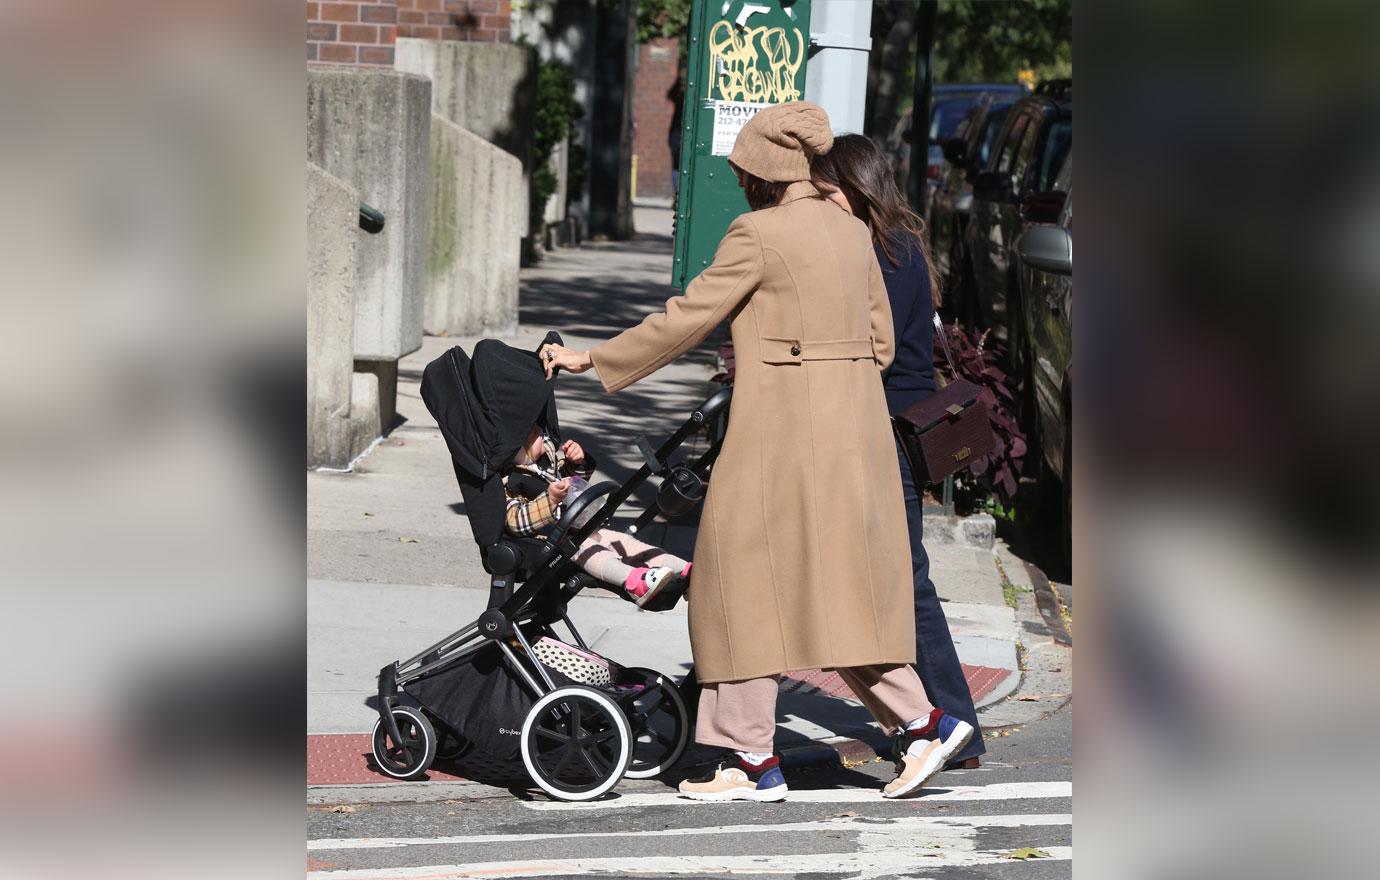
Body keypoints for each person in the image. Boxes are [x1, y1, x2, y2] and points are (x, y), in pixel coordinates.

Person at [539, 102, 973, 802]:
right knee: (825, 589)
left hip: (780, 438)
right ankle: (913, 726)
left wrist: (594, 359)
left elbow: (686, 319)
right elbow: (883, 343)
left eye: (741, 167)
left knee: (733, 579)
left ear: (757, 171)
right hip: (853, 437)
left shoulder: (758, 234)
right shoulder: (850, 232)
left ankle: (757, 759)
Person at [811, 133, 986, 769]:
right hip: (904, 427)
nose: (817, 201)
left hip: (881, 431)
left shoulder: (871, 252)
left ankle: (946, 726)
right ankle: (944, 724)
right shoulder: (903, 243)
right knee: (904, 582)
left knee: (904, 583)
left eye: (825, 189)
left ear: (851, 188)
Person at [504, 423, 690, 610]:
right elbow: (515, 522)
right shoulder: (510, 483)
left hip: (579, 529)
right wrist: (550, 500)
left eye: (542, 432)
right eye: (536, 435)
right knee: (591, 550)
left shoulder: (544, 468)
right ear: (517, 448)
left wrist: (577, 463)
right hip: (550, 541)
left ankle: (686, 571)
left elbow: (575, 485)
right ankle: (634, 582)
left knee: (624, 541)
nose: (544, 436)